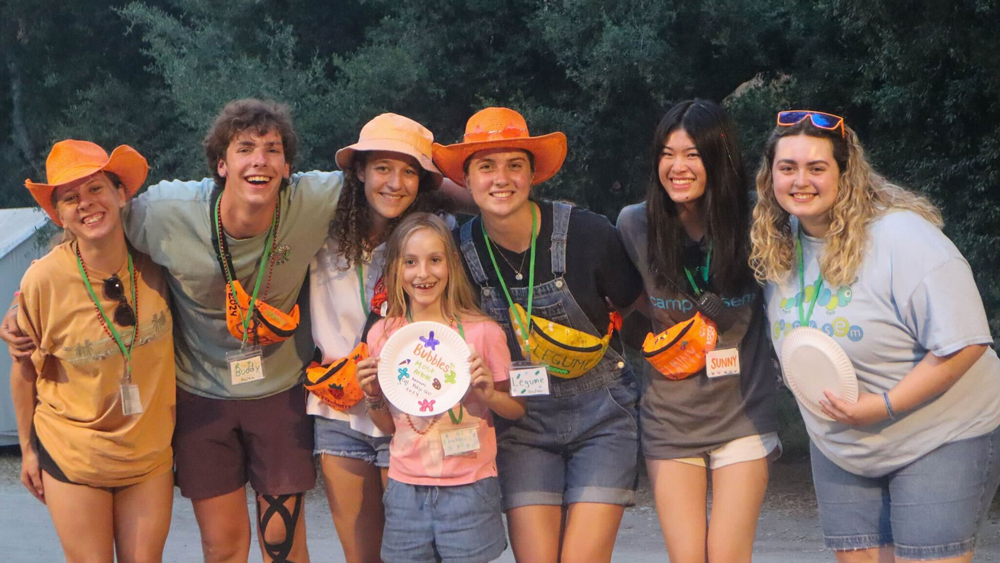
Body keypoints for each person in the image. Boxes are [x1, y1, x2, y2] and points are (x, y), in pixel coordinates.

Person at [751, 110, 1000, 563]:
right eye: (787, 168)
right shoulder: (779, 241)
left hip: (940, 432)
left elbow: (966, 341)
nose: (800, 180)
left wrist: (883, 406)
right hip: (842, 442)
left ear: (845, 174)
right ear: (770, 178)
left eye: (817, 168)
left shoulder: (901, 237)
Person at [434, 107, 645, 563]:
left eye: (514, 165)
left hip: (602, 415)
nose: (501, 178)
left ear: (533, 174)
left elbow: (629, 297)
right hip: (521, 422)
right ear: (467, 180)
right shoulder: (458, 252)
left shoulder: (587, 232)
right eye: (486, 167)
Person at [616, 100, 779, 563]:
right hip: (670, 417)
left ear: (718, 158)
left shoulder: (758, 221)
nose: (677, 167)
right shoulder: (635, 224)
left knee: (727, 556)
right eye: (667, 154)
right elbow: (621, 303)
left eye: (692, 154)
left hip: (743, 414)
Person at [11, 140, 175, 563]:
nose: (86, 204)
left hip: (148, 456)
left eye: (95, 188)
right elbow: (24, 369)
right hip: (74, 456)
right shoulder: (44, 280)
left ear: (121, 194)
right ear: (60, 215)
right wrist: (28, 450)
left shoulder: (158, 261)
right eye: (70, 198)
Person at [307, 113, 445, 563]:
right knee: (361, 554)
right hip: (338, 408)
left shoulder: (427, 244)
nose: (395, 182)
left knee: (415, 552)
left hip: (408, 411)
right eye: (383, 167)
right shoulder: (320, 232)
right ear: (360, 171)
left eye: (409, 171)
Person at [358, 212, 525, 563]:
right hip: (405, 488)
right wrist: (372, 395)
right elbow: (389, 427)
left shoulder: (483, 332)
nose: (423, 273)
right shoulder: (384, 336)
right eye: (411, 262)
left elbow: (516, 408)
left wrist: (489, 394)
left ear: (451, 265)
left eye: (435, 260)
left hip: (471, 486)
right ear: (396, 270)